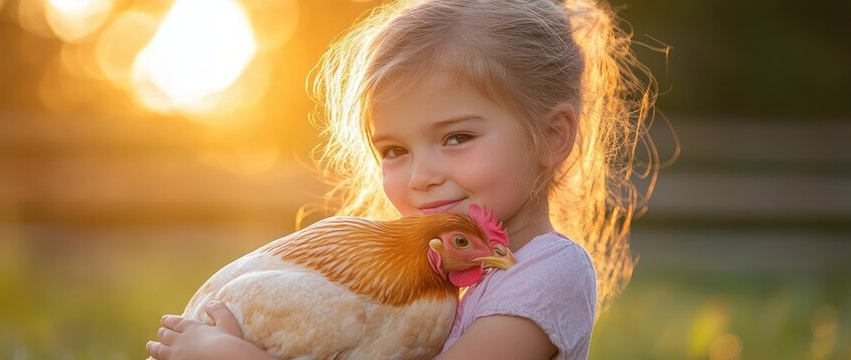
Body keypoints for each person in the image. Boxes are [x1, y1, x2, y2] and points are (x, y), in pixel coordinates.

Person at [147, 0, 659, 358]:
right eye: (393, 150)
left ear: (552, 137)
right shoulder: (418, 285)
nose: (420, 177)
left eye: (456, 137)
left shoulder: (549, 272)